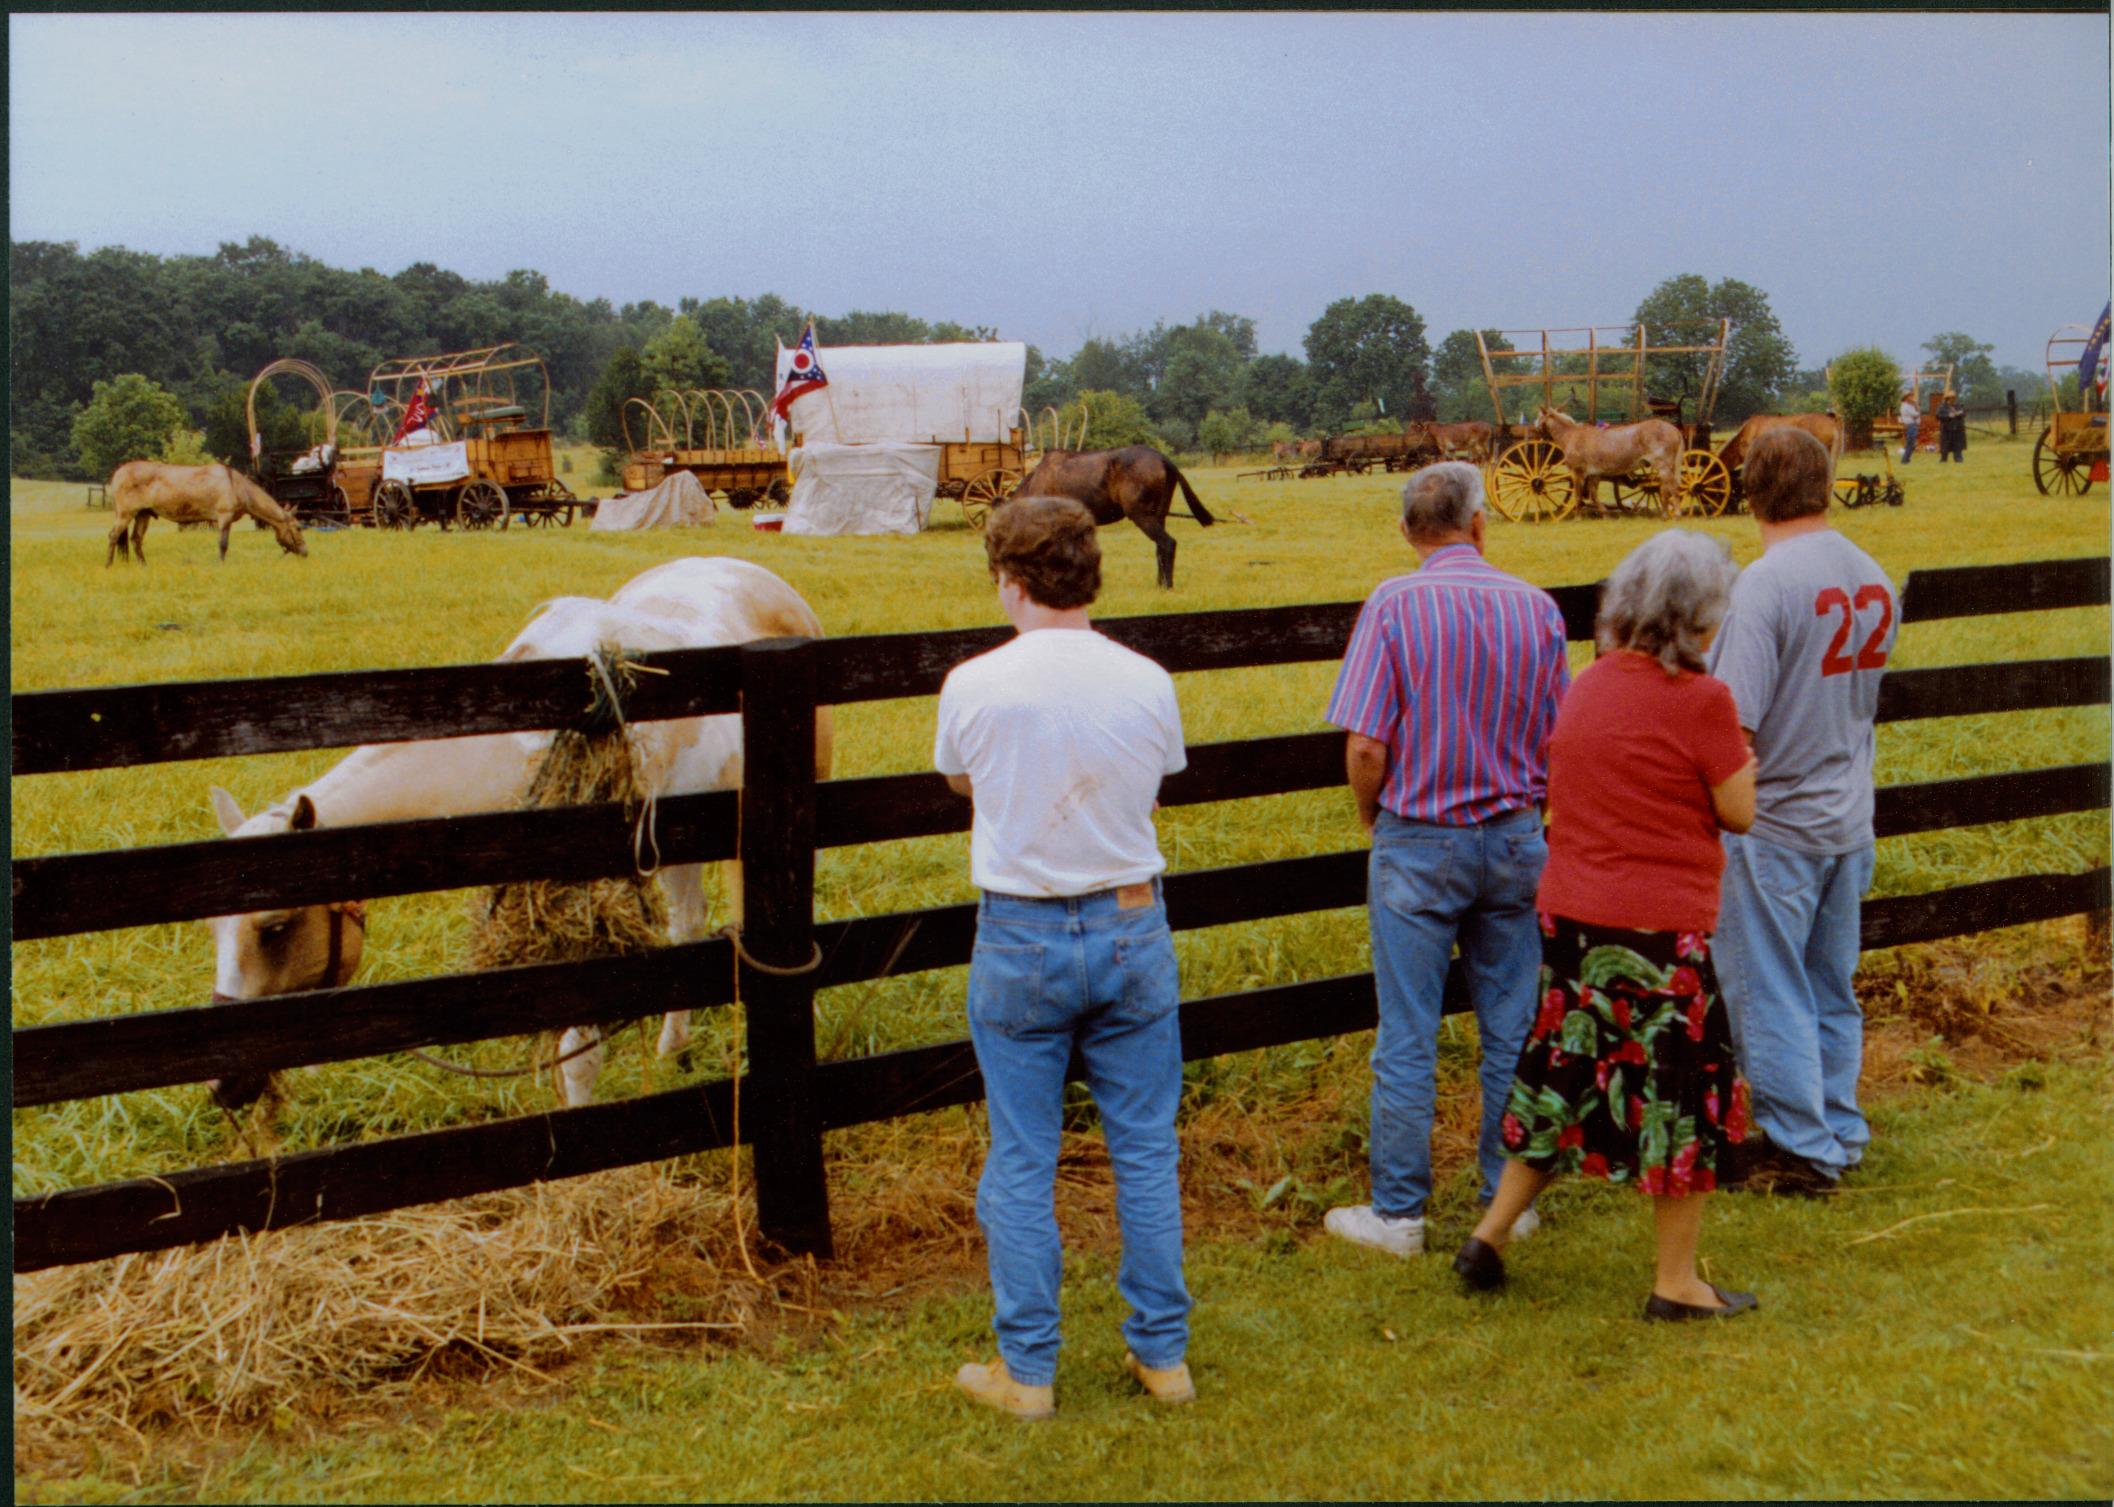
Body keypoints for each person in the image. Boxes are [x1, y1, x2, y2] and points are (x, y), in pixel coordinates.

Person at [1451, 531, 1760, 1321]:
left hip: (1574, 915)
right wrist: (1742, 763)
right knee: (1678, 1091)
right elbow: (1739, 811)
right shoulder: (1705, 702)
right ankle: (1677, 1282)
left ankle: (1490, 1234)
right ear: (1697, 619)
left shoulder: (1586, 686)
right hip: (1662, 927)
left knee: (1567, 1065)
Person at [934, 495, 1195, 1421]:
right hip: (1131, 922)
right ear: (1091, 574)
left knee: (1021, 1156)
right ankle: (1163, 1356)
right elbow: (1157, 781)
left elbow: (962, 778)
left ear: (1008, 581)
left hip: (1021, 932)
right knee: (1145, 1148)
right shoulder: (1145, 678)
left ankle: (1030, 1369)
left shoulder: (973, 682)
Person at [1322, 462, 1570, 1257]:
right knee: (1511, 1024)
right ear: (1478, 524)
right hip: (1513, 834)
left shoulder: (1394, 603)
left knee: (1407, 1031)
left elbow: (1366, 742)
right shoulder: (1536, 607)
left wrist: (1374, 817)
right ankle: (1507, 1197)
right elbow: (1559, 736)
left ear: (1407, 531)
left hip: (1420, 836)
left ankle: (1398, 1212)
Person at [1709, 426, 1898, 1196]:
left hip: (1777, 818)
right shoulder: (1872, 572)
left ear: (1751, 489)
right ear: (1825, 481)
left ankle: (1800, 1147)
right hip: (1848, 812)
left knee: (1766, 985)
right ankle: (1838, 1127)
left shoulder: (1764, 584)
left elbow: (1734, 725)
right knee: (1828, 984)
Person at [1936, 391, 1967, 463]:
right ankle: (1943, 459)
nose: (1953, 399)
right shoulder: (1942, 407)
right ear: (1947, 399)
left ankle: (1958, 459)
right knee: (1945, 445)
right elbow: (1938, 416)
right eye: (1951, 398)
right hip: (1947, 429)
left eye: (1954, 398)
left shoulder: (1958, 405)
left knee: (1958, 445)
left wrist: (1959, 413)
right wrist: (1948, 416)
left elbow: (1964, 413)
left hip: (1957, 428)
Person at [1897, 392, 1920, 464]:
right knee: (1911, 443)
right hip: (1910, 426)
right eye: (1911, 396)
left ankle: (1906, 459)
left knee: (1912, 444)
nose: (1912, 398)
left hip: (1913, 425)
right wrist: (1917, 406)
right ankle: (1904, 460)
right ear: (1906, 398)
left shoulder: (1910, 406)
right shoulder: (1905, 406)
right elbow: (1916, 414)